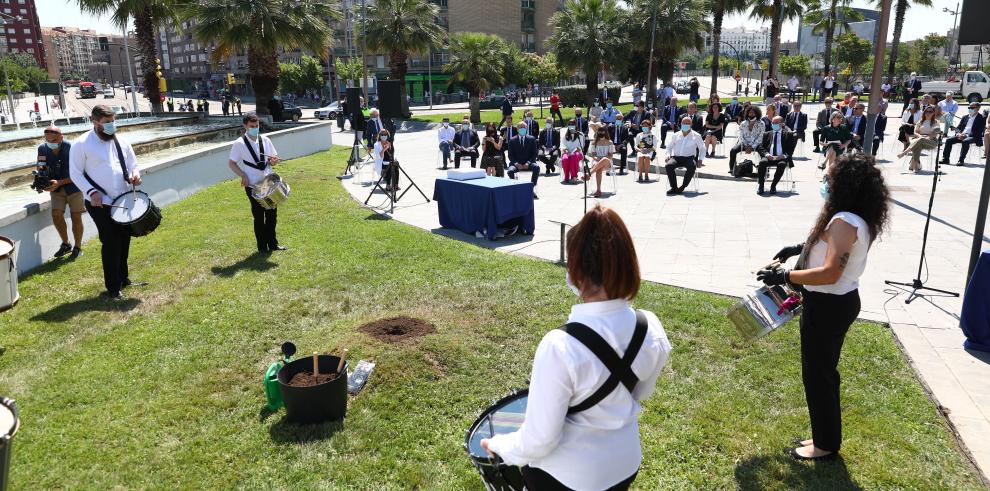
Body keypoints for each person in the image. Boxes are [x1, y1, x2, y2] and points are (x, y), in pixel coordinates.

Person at [481, 205, 671, 490]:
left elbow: (539, 441)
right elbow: (638, 394)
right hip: (625, 463)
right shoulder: (651, 327)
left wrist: (499, 444)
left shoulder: (559, 346)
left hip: (569, 478)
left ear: (577, 272)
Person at [758, 152, 890, 462]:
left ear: (845, 185)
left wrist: (785, 275)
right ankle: (825, 436)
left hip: (830, 304)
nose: (825, 183)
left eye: (829, 179)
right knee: (822, 373)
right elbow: (830, 253)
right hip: (835, 302)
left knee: (819, 375)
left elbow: (831, 271)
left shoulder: (844, 221)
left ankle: (825, 445)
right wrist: (799, 248)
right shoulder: (856, 217)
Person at [68, 105, 142, 300]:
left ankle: (123, 278)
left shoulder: (121, 141)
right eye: (107, 122)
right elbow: (75, 173)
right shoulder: (81, 143)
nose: (111, 125)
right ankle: (113, 287)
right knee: (110, 241)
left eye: (113, 121)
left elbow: (133, 164)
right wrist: (92, 192)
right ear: (95, 121)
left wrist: (135, 175)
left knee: (124, 237)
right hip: (99, 203)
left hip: (122, 198)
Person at [227, 113, 286, 252]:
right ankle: (262, 247)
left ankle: (273, 244)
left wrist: (274, 161)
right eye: (252, 126)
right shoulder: (239, 143)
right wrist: (243, 175)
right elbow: (231, 163)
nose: (255, 128)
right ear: (245, 126)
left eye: (257, 126)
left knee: (272, 215)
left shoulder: (265, 140)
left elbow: (273, 159)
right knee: (259, 216)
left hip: (268, 183)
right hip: (252, 184)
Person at [38, 125, 84, 260]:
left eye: (54, 140)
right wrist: (42, 181)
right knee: (56, 215)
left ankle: (78, 247)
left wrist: (59, 183)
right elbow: (41, 167)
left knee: (76, 217)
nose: (50, 143)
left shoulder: (72, 147)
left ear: (61, 137)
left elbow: (80, 172)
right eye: (48, 140)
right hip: (56, 189)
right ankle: (66, 244)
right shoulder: (42, 148)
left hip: (74, 188)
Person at [664, 117, 704, 195]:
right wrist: (668, 155)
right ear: (681, 124)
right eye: (684, 123)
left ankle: (683, 186)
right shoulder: (676, 135)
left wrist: (700, 159)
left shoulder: (696, 135)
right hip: (676, 158)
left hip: (689, 158)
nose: (685, 125)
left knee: (692, 166)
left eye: (687, 123)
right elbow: (669, 146)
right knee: (668, 165)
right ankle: (674, 187)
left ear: (691, 124)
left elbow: (702, 148)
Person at [757, 116, 796, 195]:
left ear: (782, 124)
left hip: (781, 157)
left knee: (782, 164)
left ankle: (773, 185)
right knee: (762, 163)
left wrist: (783, 156)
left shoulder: (788, 135)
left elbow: (791, 149)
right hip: (769, 157)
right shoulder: (766, 134)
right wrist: (767, 154)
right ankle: (761, 185)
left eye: (776, 123)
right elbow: (760, 147)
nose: (774, 124)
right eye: (773, 123)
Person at [897, 106, 941, 172]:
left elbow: (934, 134)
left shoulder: (936, 122)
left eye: (930, 112)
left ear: (933, 113)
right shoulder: (920, 121)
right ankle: (915, 167)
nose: (928, 113)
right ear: (924, 113)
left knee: (920, 141)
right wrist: (920, 136)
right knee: (918, 145)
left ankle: (904, 153)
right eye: (926, 111)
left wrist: (924, 138)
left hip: (931, 141)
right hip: (919, 139)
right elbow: (915, 132)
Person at [507, 121, 541, 199]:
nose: (522, 129)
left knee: (536, 168)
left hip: (529, 163)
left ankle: (531, 188)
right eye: (520, 127)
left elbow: (534, 154)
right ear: (517, 129)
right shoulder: (512, 140)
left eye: (524, 127)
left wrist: (528, 163)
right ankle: (516, 189)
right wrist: (516, 164)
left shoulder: (532, 139)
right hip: (516, 164)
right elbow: (510, 155)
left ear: (526, 129)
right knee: (510, 171)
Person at [730, 105, 765, 175]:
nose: (751, 114)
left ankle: (762, 170)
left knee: (763, 153)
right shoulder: (743, 123)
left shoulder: (761, 123)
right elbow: (741, 136)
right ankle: (732, 169)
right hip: (744, 143)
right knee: (733, 150)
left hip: (756, 144)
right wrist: (745, 146)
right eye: (750, 113)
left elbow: (761, 137)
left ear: (757, 113)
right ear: (747, 113)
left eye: (753, 113)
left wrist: (752, 146)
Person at [582, 128, 616, 197]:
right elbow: (593, 154)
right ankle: (598, 190)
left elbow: (610, 155)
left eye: (602, 131)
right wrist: (597, 159)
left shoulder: (610, 142)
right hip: (597, 161)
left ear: (605, 132)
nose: (601, 132)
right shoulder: (594, 142)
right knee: (599, 169)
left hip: (607, 162)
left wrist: (602, 159)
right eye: (599, 131)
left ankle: (589, 174)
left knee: (604, 159)